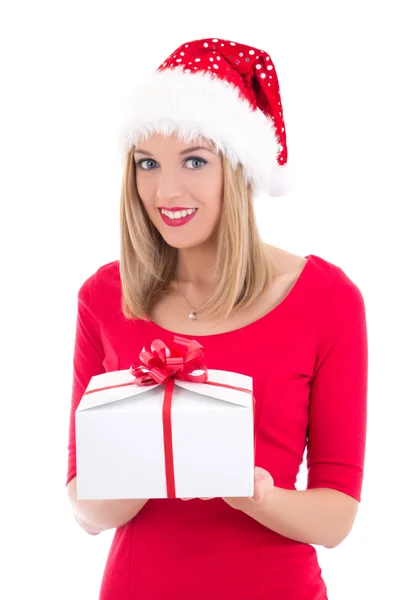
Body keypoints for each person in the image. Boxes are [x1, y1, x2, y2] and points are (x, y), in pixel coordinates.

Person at [66, 37, 368, 600]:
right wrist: (151, 464)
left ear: (241, 168)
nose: (165, 190)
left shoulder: (326, 299)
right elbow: (83, 505)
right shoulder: (105, 297)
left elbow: (338, 517)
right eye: (148, 163)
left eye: (196, 161)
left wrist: (254, 493)